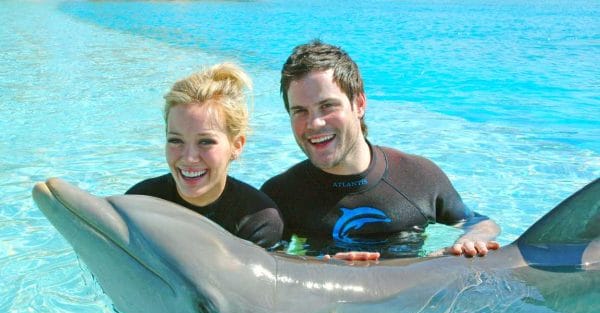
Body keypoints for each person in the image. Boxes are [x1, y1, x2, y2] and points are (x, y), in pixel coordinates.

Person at [261, 40, 500, 259]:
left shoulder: (419, 176)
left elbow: (480, 223)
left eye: (327, 106)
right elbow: (267, 268)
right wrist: (319, 271)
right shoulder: (280, 195)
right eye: (300, 111)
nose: (314, 123)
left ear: (359, 105)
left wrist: (472, 239)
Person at [127, 63, 283, 248]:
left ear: (237, 145)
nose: (189, 158)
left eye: (206, 142)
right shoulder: (139, 203)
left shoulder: (258, 220)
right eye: (176, 141)